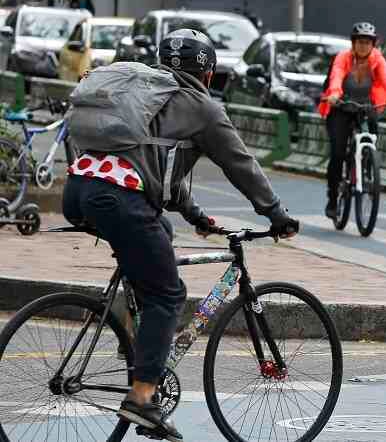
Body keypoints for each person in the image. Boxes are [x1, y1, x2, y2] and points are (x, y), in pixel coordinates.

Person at [63, 29, 300, 441]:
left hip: (79, 190)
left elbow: (157, 164)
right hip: (119, 199)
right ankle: (141, 397)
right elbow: (239, 163)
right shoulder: (200, 105)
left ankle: (137, 346)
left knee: (160, 234)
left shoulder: (143, 92)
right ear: (207, 74)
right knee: (168, 293)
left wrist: (195, 215)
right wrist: (275, 214)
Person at [318, 22, 386, 218]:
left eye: (368, 42)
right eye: (360, 42)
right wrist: (334, 94)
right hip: (341, 107)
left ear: (373, 44)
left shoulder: (377, 60)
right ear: (353, 43)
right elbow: (336, 77)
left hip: (366, 108)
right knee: (337, 153)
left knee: (372, 138)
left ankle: (367, 168)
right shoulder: (343, 58)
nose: (363, 46)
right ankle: (333, 198)